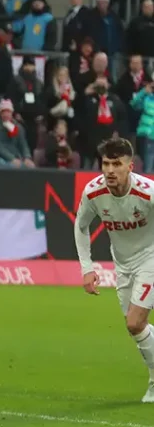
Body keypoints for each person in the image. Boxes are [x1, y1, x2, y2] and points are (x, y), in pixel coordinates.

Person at [74, 137, 154, 403]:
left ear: (130, 166)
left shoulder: (147, 192)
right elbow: (81, 226)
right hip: (123, 263)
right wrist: (87, 267)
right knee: (135, 328)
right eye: (106, 163)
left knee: (135, 321)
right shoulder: (93, 192)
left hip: (151, 257)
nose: (109, 170)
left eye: (116, 164)